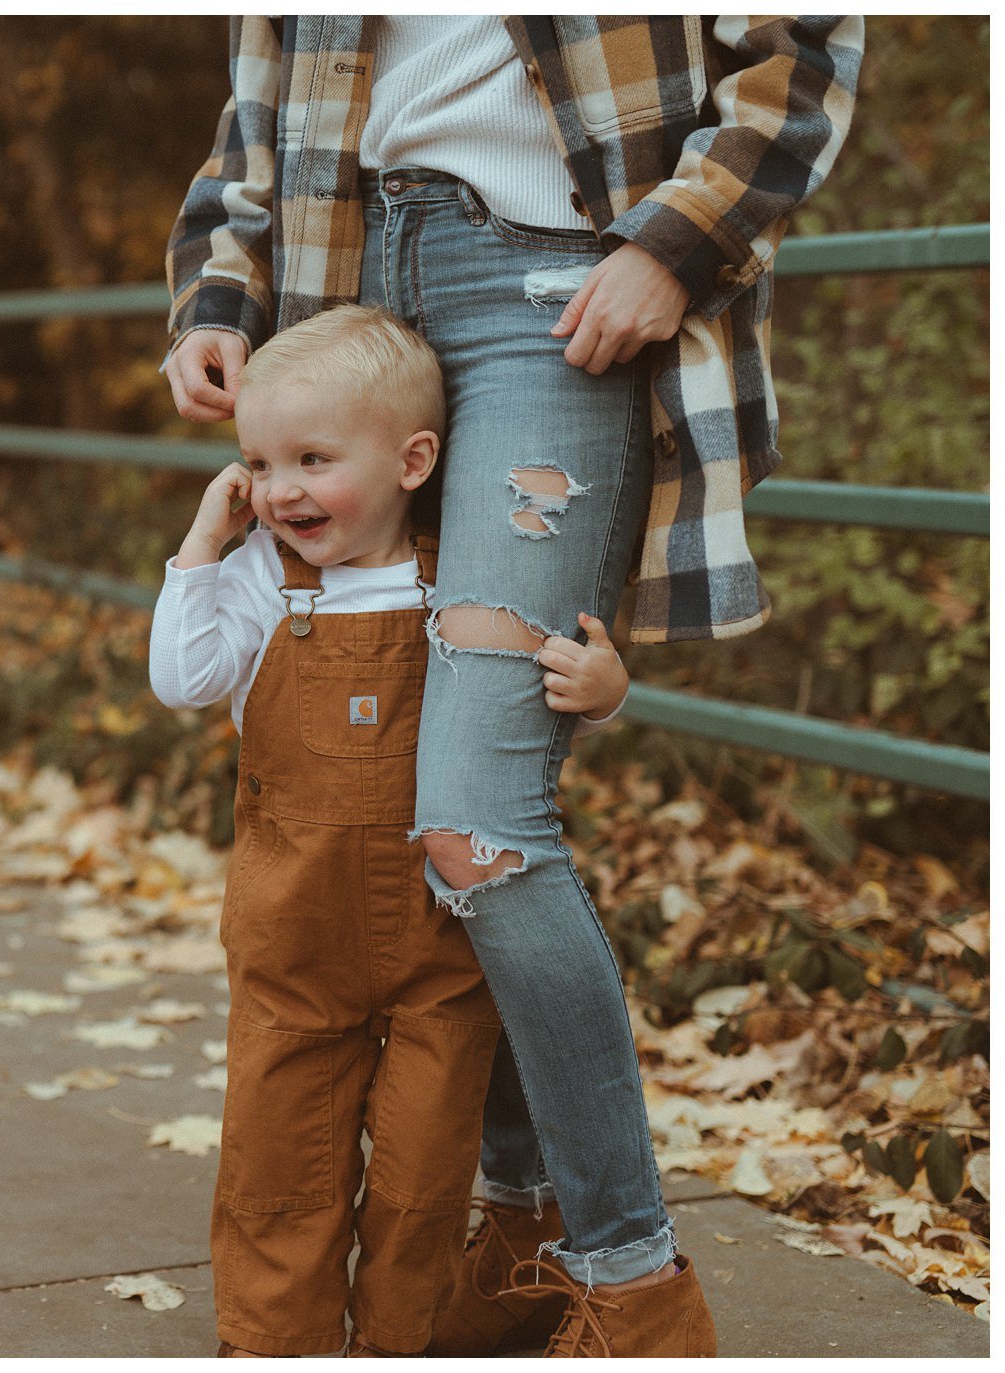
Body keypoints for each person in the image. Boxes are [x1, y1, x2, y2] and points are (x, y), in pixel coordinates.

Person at [164, 16, 862, 1357]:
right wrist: (217, 294)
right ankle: (527, 1231)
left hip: (552, 300)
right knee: (413, 803)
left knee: (474, 823)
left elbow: (807, 37)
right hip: (345, 299)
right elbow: (257, 110)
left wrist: (681, 238)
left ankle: (632, 1285)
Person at [150, 305, 629, 1357]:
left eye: (312, 458)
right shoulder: (259, 579)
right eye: (258, 463)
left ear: (413, 459)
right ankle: (275, 1340)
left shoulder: (458, 577)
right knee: (280, 1163)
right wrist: (203, 540)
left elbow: (535, 699)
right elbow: (180, 679)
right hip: (293, 936)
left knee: (421, 1180)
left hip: (439, 949)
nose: (280, 488)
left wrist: (599, 691)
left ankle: (397, 1342)